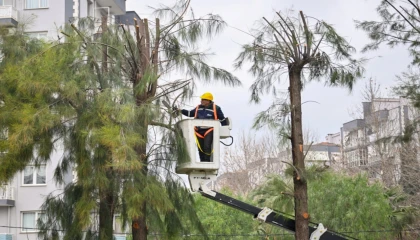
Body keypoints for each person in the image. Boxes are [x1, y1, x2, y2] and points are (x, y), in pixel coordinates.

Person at [177, 92, 227, 162]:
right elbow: (190, 113)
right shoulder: (198, 108)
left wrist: (225, 128)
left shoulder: (216, 108)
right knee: (200, 148)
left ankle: (207, 162)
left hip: (209, 130)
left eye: (203, 99)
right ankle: (202, 162)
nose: (201, 101)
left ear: (208, 100)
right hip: (198, 131)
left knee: (207, 146)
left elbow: (222, 119)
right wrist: (180, 111)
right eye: (201, 99)